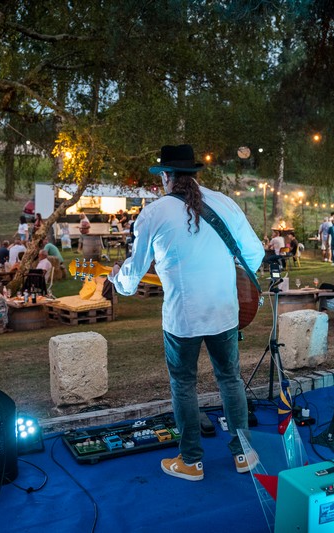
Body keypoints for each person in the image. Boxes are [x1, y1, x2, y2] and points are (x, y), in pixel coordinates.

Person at [109, 144, 264, 482]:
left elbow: (131, 280)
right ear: (193, 173)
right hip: (225, 311)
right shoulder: (225, 203)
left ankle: (192, 461)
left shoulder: (153, 213)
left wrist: (116, 278)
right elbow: (255, 252)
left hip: (183, 317)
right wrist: (231, 275)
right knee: (230, 379)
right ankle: (243, 454)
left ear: (165, 176)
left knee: (183, 384)